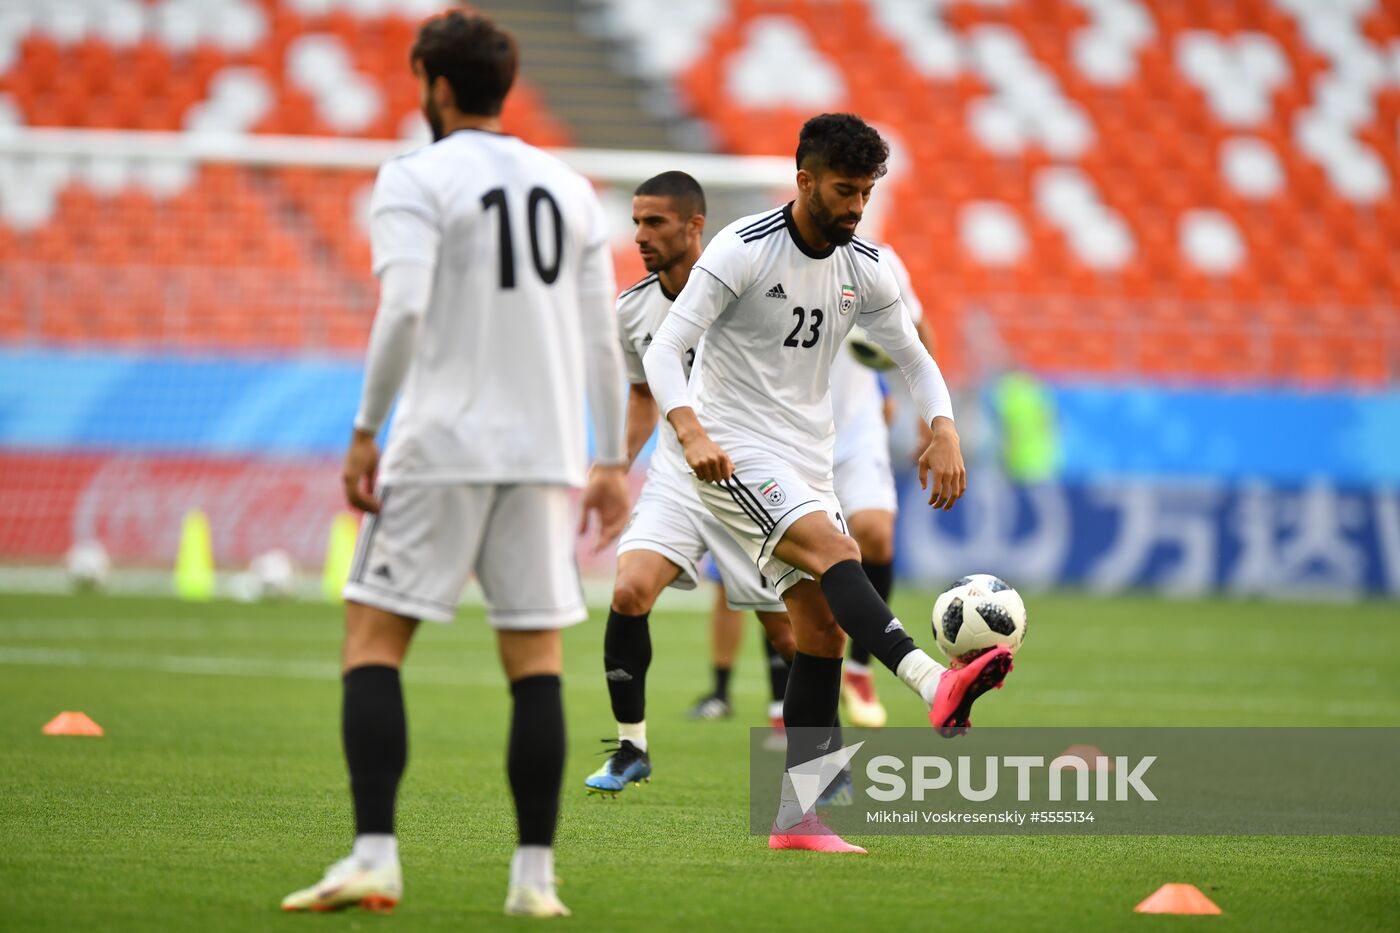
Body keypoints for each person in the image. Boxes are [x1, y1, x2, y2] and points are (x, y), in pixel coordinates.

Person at [281, 11, 628, 918]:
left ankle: (373, 856)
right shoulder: (573, 186)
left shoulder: (416, 177)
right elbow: (602, 337)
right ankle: (534, 881)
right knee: (537, 661)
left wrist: (365, 430)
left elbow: (400, 312)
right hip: (548, 453)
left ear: (435, 83)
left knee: (373, 638)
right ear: (503, 84)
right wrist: (612, 457)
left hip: (442, 447)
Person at [642, 113, 1013, 854]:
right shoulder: (741, 250)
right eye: (844, 191)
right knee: (839, 549)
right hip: (732, 450)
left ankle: (800, 820)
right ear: (804, 179)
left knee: (821, 629)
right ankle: (929, 681)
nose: (854, 207)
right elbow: (666, 347)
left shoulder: (865, 264)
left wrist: (941, 426)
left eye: (866, 195)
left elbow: (913, 356)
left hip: (809, 454)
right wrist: (690, 431)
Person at [585, 171, 795, 797]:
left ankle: (818, 759)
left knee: (790, 630)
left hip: (750, 478)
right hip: (678, 480)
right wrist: (615, 464)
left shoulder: (744, 294)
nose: (641, 236)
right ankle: (631, 749)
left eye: (656, 223)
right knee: (628, 592)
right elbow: (645, 394)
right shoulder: (632, 309)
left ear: (694, 225)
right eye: (636, 223)